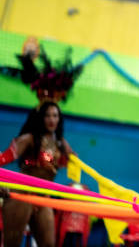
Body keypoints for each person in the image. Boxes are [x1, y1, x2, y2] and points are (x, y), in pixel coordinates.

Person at [0, 101, 74, 247]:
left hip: (43, 198)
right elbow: (4, 158)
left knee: (48, 244)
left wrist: (72, 159)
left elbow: (73, 162)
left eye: (55, 115)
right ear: (40, 117)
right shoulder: (29, 138)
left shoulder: (61, 143)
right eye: (47, 116)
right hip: (21, 195)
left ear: (59, 119)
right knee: (12, 243)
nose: (52, 120)